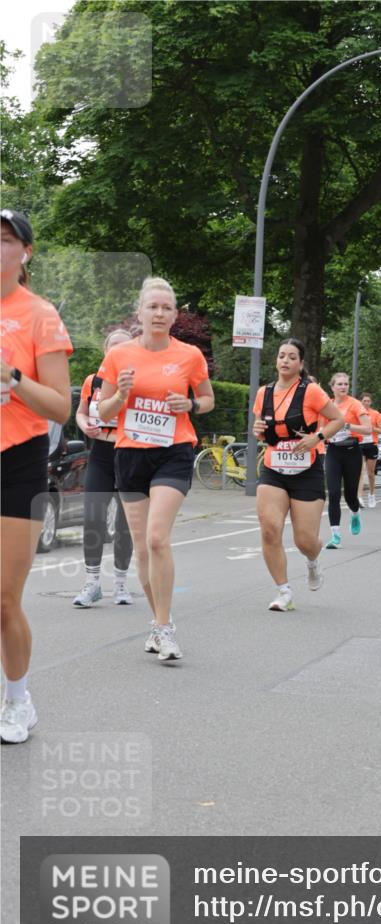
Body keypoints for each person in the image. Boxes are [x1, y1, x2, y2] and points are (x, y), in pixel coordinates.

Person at [97, 277, 214, 660]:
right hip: (131, 454)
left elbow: (208, 399)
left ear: (175, 315)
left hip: (173, 451)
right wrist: (121, 394)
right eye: (153, 307)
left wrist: (191, 406)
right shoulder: (119, 356)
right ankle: (159, 623)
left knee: (158, 537)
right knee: (143, 550)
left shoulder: (189, 355)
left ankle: (165, 628)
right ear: (140, 313)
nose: (159, 313)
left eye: (166, 308)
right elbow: (103, 412)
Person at [1, 209, 73, 743]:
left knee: (4, 598)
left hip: (16, 460)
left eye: (6, 240)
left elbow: (60, 407)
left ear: (25, 253)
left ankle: (18, 701)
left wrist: (14, 378)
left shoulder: (39, 314)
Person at [252, 339, 344, 611]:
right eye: (282, 356)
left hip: (306, 469)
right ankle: (284, 591)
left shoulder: (311, 391)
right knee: (270, 530)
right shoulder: (264, 392)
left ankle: (313, 561)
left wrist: (317, 437)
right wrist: (258, 430)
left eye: (292, 357)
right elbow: (261, 430)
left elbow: (338, 420)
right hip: (273, 468)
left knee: (304, 540)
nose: (285, 361)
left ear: (301, 363)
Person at [72, 329, 135, 607]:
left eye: (124, 348)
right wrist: (84, 423)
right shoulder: (93, 380)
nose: (118, 352)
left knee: (125, 522)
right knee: (93, 517)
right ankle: (92, 582)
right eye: (113, 347)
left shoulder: (139, 382)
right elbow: (81, 412)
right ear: (106, 351)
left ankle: (120, 583)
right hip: (100, 453)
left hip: (130, 454)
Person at [323, 373, 371, 549]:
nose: (343, 387)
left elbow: (368, 429)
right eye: (340, 384)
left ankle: (355, 512)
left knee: (350, 495)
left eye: (346, 384)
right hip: (333, 451)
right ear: (332, 387)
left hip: (352, 452)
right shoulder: (327, 405)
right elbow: (321, 428)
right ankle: (335, 536)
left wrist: (347, 426)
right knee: (334, 493)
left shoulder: (355, 404)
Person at [357, 391, 381, 509]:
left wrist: (371, 428)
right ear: (360, 402)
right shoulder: (357, 413)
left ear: (371, 402)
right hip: (359, 444)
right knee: (360, 471)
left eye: (368, 401)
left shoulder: (375, 414)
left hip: (371, 444)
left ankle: (372, 494)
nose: (366, 403)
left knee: (371, 473)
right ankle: (359, 497)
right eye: (364, 401)